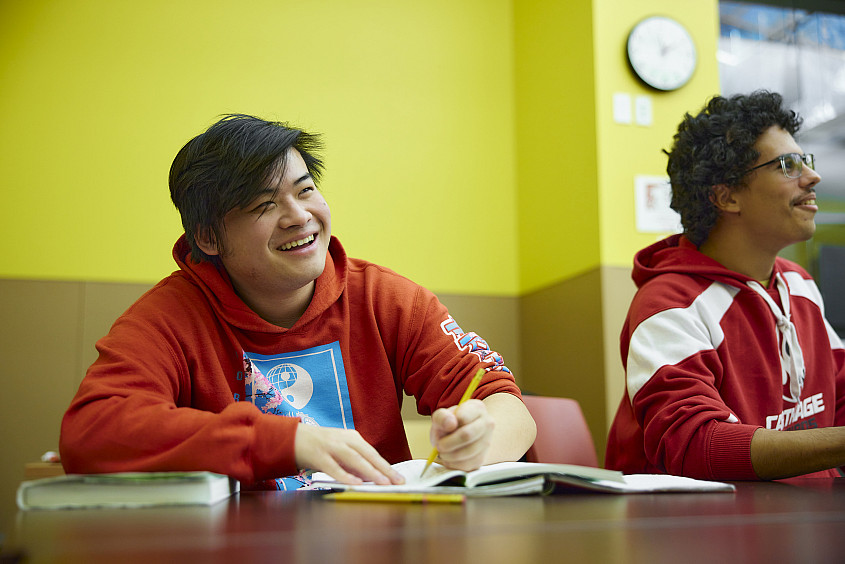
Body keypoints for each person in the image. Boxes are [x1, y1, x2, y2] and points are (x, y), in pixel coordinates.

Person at [59, 114, 536, 490]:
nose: (299, 216)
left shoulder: (385, 299)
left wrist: (477, 441)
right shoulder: (170, 318)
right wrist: (283, 441)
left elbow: (506, 406)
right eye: (264, 205)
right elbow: (91, 432)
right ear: (208, 237)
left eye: (305, 190)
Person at [605, 91, 845, 481]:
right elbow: (693, 443)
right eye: (788, 164)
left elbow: (840, 395)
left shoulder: (798, 284)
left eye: (806, 161)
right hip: (701, 518)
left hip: (804, 512)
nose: (812, 176)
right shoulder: (669, 303)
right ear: (726, 196)